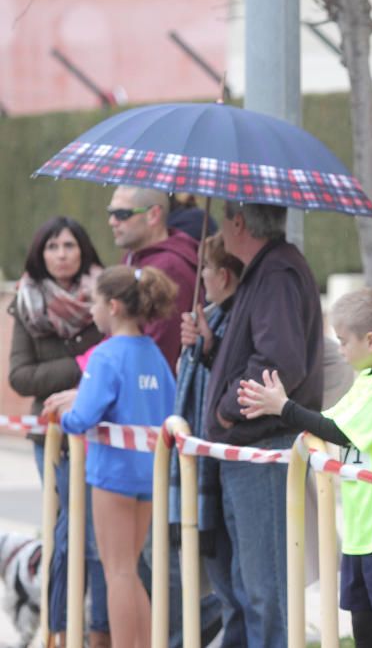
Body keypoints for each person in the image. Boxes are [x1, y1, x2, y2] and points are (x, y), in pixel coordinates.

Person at [237, 288, 372, 648]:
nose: (339, 350)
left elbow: (338, 431)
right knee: (364, 633)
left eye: (342, 341)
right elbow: (324, 422)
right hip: (361, 529)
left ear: (370, 340)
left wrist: (284, 407)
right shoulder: (367, 378)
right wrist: (277, 406)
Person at [203, 201, 324, 648]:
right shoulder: (268, 270)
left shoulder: (276, 273)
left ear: (239, 222)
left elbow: (277, 363)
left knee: (264, 590)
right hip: (253, 451)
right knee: (246, 587)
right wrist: (210, 346)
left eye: (222, 219)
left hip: (263, 451)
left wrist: (226, 408)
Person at [46, 265, 177, 648]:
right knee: (130, 570)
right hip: (147, 473)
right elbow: (167, 405)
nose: (92, 312)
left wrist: (62, 415)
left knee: (117, 570)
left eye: (95, 304)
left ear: (115, 306)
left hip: (113, 474)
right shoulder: (153, 353)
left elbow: (82, 418)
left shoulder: (104, 356)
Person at [8, 217, 109, 647]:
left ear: (83, 249)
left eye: (69, 245)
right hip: (52, 441)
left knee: (99, 537)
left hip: (104, 434)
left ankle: (97, 628)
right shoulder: (27, 300)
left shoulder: (108, 295)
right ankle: (61, 628)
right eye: (52, 246)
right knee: (67, 534)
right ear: (40, 253)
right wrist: (82, 365)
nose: (62, 253)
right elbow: (20, 377)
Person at [173, 233, 246, 647]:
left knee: (236, 591)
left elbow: (228, 380)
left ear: (221, 274)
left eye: (203, 269)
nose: (200, 277)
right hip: (206, 467)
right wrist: (197, 346)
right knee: (223, 586)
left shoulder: (236, 318)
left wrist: (209, 346)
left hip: (220, 469)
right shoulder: (215, 316)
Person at [107, 185, 199, 369]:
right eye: (110, 213)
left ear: (153, 215)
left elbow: (159, 350)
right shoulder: (132, 256)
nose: (112, 221)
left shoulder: (170, 269)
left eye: (122, 214)